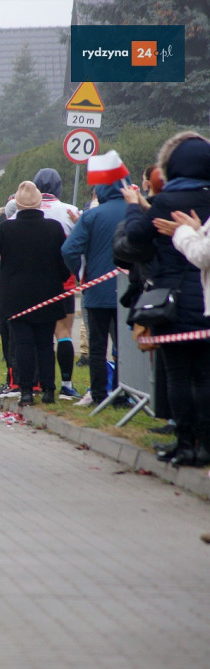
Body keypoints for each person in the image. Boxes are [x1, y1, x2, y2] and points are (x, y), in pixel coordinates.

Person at [122, 131, 210, 468]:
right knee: (204, 376)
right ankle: (205, 445)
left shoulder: (166, 201)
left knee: (177, 375)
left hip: (171, 302)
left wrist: (133, 209)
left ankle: (184, 443)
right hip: (205, 299)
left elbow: (135, 236)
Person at [0, 181, 69, 407]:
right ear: (39, 204)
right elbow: (64, 263)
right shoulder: (54, 228)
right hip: (48, 297)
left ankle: (26, 391)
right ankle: (49, 390)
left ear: (16, 205)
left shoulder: (8, 229)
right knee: (46, 344)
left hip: (17, 300)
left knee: (24, 345)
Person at [62, 170, 130, 407]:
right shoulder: (137, 212)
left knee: (97, 346)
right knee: (125, 345)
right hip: (130, 292)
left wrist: (82, 275)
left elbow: (69, 250)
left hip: (97, 291)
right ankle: (124, 393)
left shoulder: (91, 216)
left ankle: (100, 394)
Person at [34, 169, 82, 398]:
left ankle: (37, 383)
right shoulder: (71, 211)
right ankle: (66, 384)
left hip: (35, 282)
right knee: (64, 332)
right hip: (65, 281)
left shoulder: (26, 210)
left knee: (37, 334)